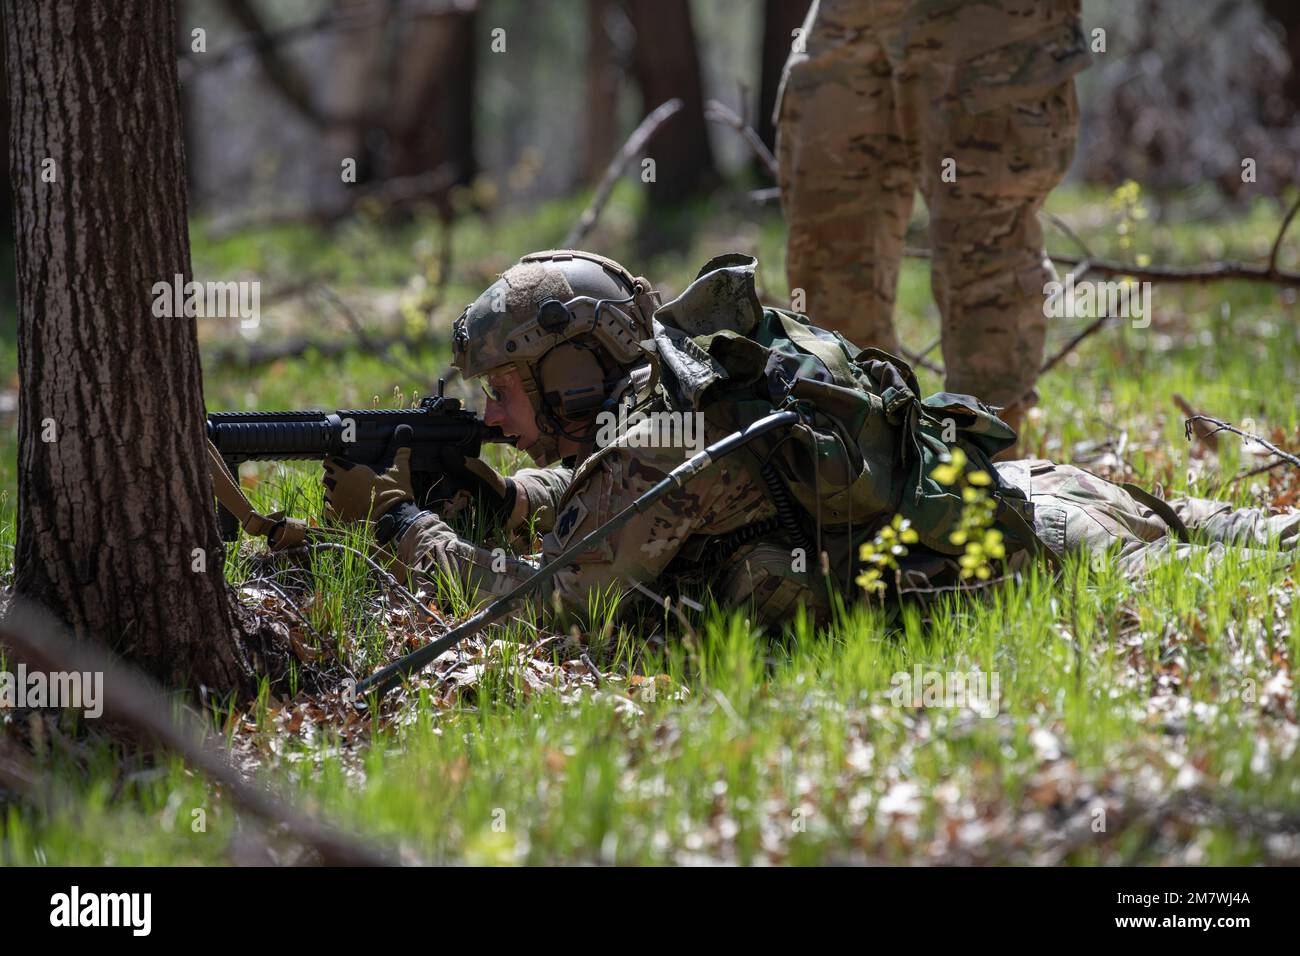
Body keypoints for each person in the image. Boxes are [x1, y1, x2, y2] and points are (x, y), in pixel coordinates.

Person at [322, 250, 1298, 628]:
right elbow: (604, 506)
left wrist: (406, 522)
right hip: (1000, 496)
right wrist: (503, 499)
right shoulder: (674, 388)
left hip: (1017, 547)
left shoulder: (652, 446)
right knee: (1199, 518)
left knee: (1216, 538)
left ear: (571, 375)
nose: (491, 417)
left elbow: (546, 609)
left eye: (502, 391)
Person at [774, 0, 1090, 438]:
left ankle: (982, 477)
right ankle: (863, 466)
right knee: (828, 250)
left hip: (984, 16)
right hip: (851, 15)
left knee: (983, 243)